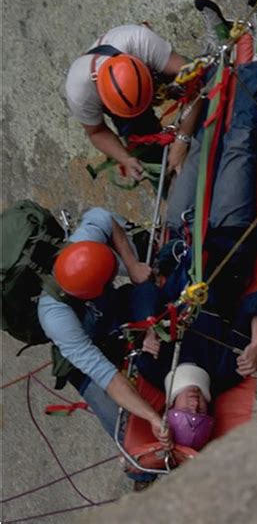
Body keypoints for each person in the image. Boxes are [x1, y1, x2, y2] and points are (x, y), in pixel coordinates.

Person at [132, 0, 257, 451]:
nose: (193, 405)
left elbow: (141, 294)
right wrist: (255, 343)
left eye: (183, 413)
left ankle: (218, 54)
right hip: (230, 241)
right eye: (199, 413)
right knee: (240, 145)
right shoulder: (224, 370)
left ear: (170, 411)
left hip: (182, 236)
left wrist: (147, 328)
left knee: (197, 147)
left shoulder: (151, 366)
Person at [37, 207, 169, 485]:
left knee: (148, 292)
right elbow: (105, 376)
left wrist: (132, 265)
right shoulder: (56, 317)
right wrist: (151, 416)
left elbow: (105, 219)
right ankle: (142, 472)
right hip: (84, 352)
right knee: (126, 425)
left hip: (109, 312)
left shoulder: (85, 243)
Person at [65, 23, 196, 177]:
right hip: (126, 108)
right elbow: (97, 132)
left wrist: (182, 138)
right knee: (149, 156)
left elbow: (196, 82)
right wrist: (125, 159)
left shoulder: (140, 41)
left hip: (150, 68)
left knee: (206, 86)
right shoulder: (80, 92)